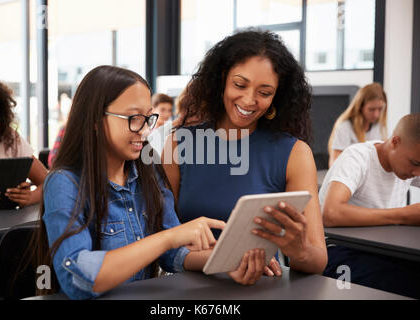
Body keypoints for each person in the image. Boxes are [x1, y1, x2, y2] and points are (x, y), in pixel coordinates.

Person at [35, 66, 269, 300]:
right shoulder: (64, 183)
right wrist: (167, 239)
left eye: (149, 118)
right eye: (135, 119)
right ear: (95, 120)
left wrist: (227, 262)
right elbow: (78, 278)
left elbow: (174, 254)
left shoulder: (148, 172)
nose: (146, 130)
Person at [162, 29, 328, 275]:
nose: (250, 100)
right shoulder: (178, 144)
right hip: (187, 291)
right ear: (222, 79)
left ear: (277, 96)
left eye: (265, 93)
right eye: (240, 84)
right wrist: (226, 261)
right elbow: (161, 243)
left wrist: (298, 249)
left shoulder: (294, 153)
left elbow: (317, 260)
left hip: (259, 288)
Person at [320, 113, 420, 298]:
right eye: (415, 163)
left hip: (382, 248)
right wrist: (404, 215)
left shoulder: (409, 163)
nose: (416, 173)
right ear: (395, 142)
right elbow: (331, 213)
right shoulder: (357, 157)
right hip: (335, 251)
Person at [0, 68, 48, 299]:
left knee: (21, 257)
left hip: (3, 234)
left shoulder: (8, 139)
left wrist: (31, 197)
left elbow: (51, 182)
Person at [328, 82, 388, 167]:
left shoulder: (378, 126)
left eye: (380, 109)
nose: (376, 115)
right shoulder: (345, 127)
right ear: (360, 107)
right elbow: (334, 164)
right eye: (371, 109)